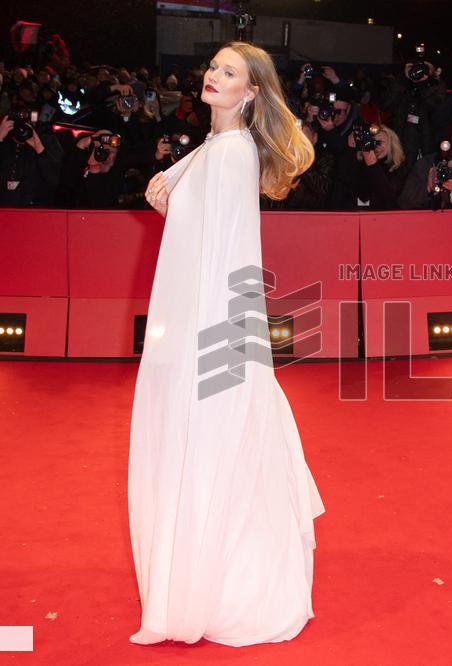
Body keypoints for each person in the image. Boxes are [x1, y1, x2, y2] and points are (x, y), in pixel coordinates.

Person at [130, 41, 325, 647]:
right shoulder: (213, 148)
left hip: (210, 332)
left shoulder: (233, 153)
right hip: (197, 324)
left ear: (253, 92)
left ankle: (219, 587)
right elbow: (199, 238)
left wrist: (216, 350)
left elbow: (233, 258)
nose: (214, 76)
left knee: (211, 450)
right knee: (202, 453)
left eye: (230, 72)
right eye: (214, 67)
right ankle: (202, 580)